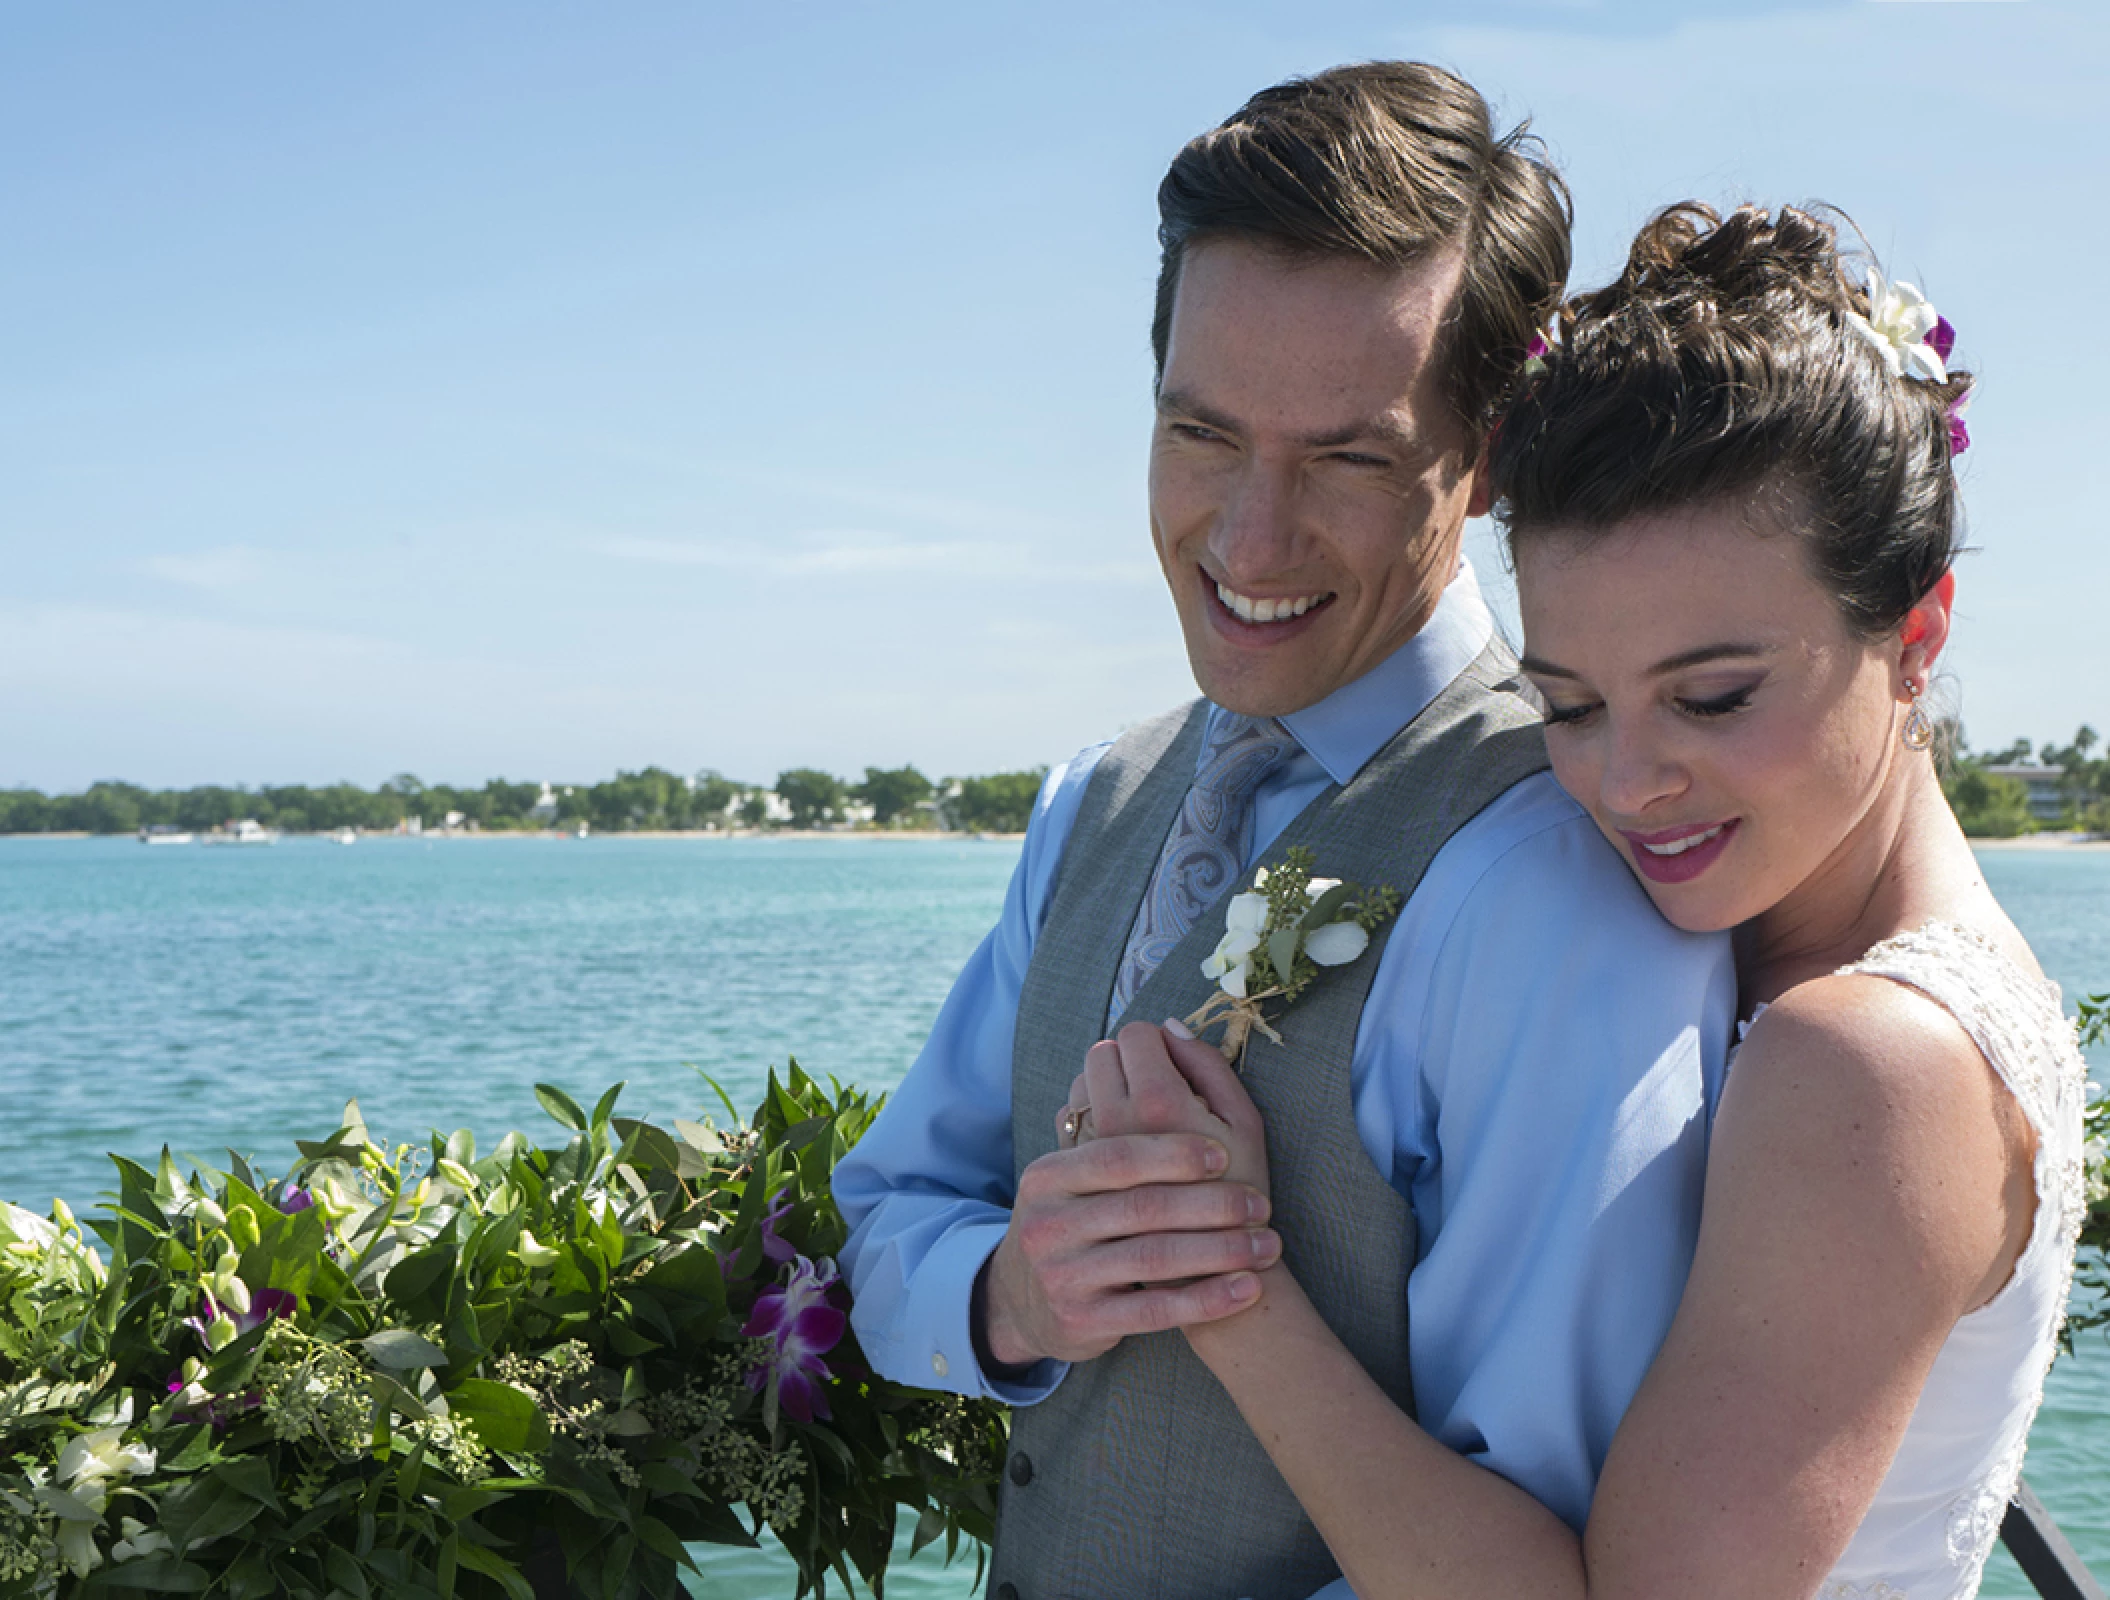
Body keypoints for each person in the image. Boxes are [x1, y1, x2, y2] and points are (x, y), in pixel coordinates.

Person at [1081, 203, 2088, 1600]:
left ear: (1911, 636)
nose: (1625, 783)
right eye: (1566, 702)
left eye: (1713, 696)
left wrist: (1230, 1284)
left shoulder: (1862, 1060)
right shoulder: (1897, 978)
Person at [832, 63, 1735, 1600]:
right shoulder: (1095, 798)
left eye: (1348, 456)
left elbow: (1547, 1540)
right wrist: (1011, 1301)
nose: (1248, 539)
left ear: (1486, 461)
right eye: (1200, 434)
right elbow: (890, 1212)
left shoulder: (1556, 882)